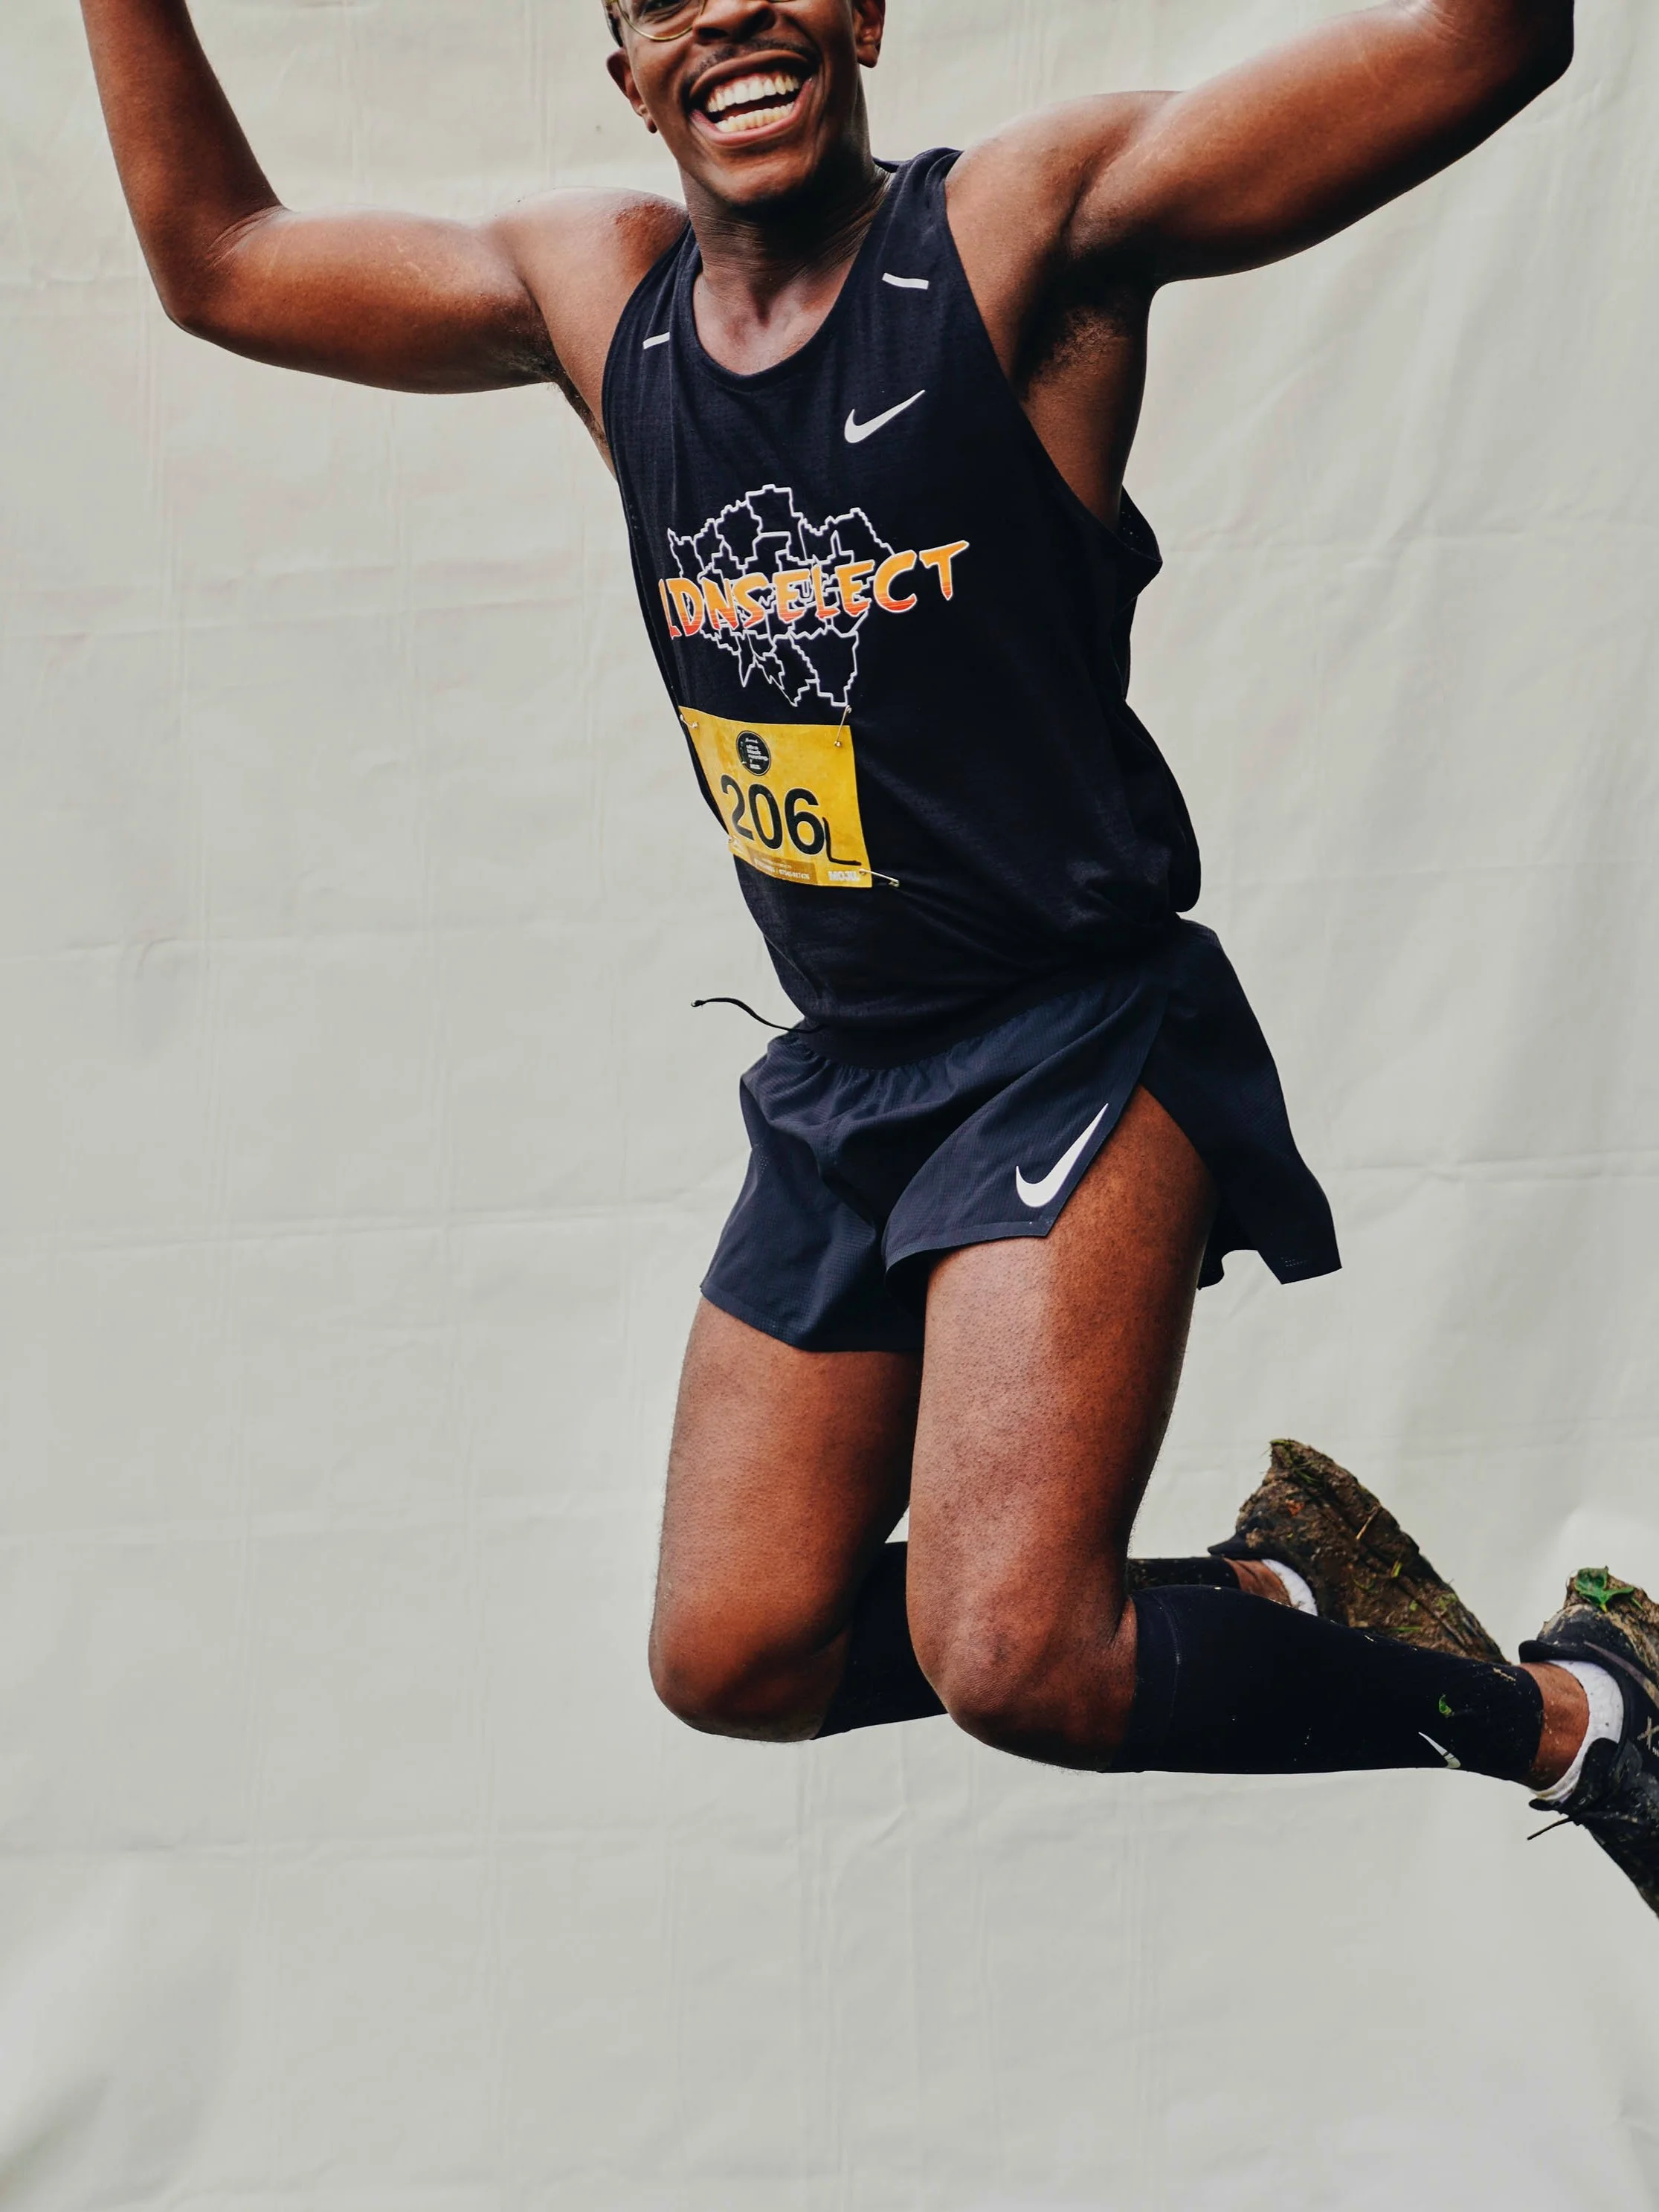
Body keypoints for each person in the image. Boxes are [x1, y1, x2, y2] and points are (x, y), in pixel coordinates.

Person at [75, 0, 1659, 1915]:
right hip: (849, 1075)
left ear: (865, 15)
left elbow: (1496, 43)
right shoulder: (602, 297)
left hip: (1071, 1033)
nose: (729, 11)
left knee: (1013, 1654)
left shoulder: (1022, 237)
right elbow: (222, 262)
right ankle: (1278, 1594)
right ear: (628, 65)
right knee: (737, 1654)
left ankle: (1585, 1716)